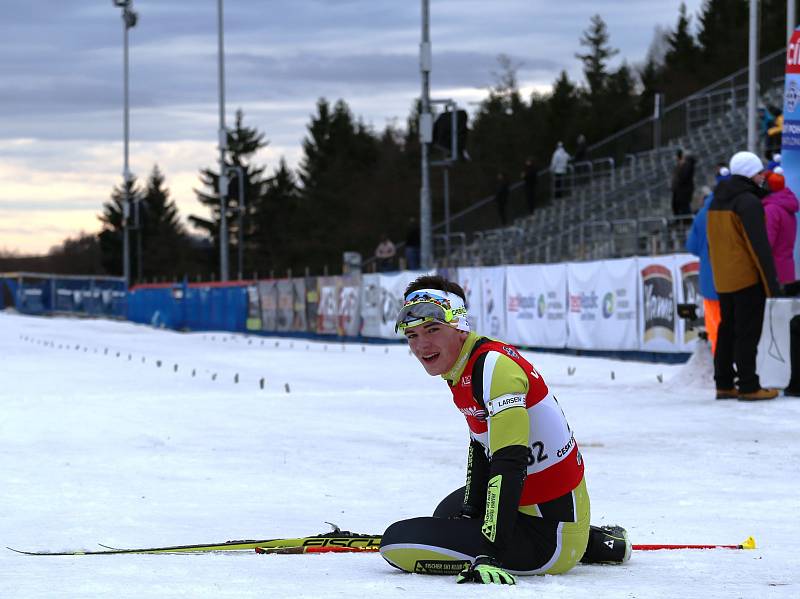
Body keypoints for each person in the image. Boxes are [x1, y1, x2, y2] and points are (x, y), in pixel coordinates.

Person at [379, 275, 630, 585]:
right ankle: (598, 543)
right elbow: (481, 449)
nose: (422, 345)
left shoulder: (493, 369)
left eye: (433, 330)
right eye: (412, 335)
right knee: (448, 513)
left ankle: (575, 545)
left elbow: (509, 463)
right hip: (547, 507)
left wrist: (489, 553)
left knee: (395, 543)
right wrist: (472, 511)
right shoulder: (465, 364)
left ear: (460, 326)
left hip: (548, 536)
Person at [707, 151, 782, 401]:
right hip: (746, 277)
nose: (763, 177)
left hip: (723, 277)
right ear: (750, 174)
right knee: (747, 333)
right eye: (759, 172)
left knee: (727, 330)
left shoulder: (716, 200)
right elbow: (757, 246)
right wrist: (771, 284)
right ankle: (749, 385)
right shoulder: (747, 202)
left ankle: (724, 383)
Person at [763, 169, 800, 396]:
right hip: (787, 267)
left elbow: (766, 243)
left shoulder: (771, 210)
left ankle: (776, 372)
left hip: (774, 271)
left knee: (775, 327)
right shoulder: (788, 207)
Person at [686, 165, 729, 355]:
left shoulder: (702, 214)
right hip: (735, 277)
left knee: (714, 325)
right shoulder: (736, 208)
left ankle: (720, 366)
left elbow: (692, 247)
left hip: (709, 279)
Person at [672, 151, 695, 216]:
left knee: (684, 206)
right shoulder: (680, 165)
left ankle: (687, 221)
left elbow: (683, 177)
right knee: (676, 205)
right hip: (678, 190)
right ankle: (679, 220)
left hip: (684, 190)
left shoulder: (687, 165)